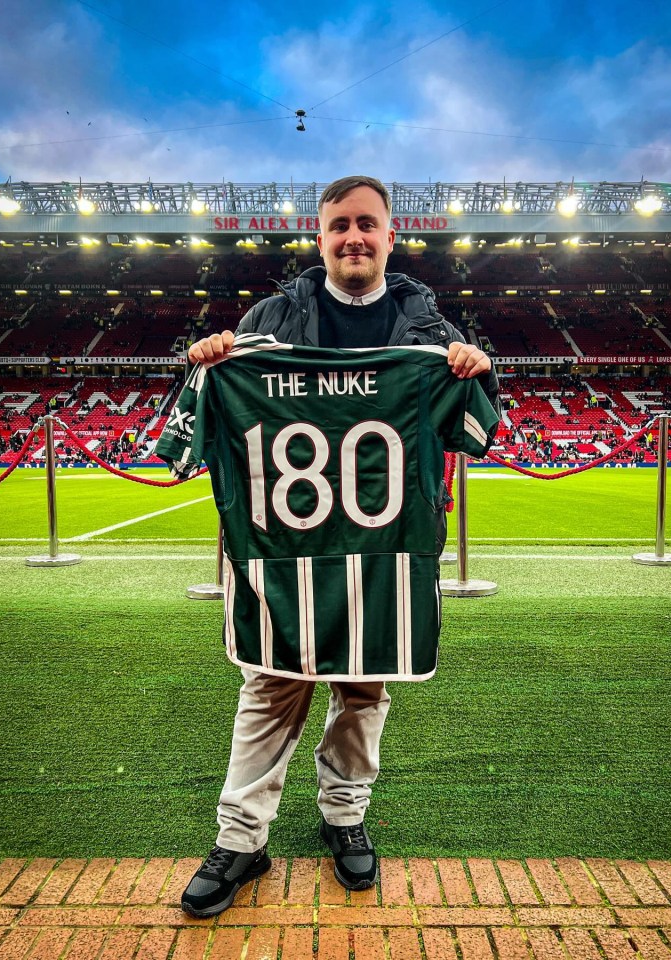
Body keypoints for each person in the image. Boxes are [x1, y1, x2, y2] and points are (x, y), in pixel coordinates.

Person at [160, 175, 501, 919]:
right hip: (283, 548)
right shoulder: (270, 317)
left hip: (382, 550)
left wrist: (476, 369)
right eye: (339, 224)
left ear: (389, 236)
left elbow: (478, 429)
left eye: (367, 225)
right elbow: (176, 445)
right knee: (270, 686)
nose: (354, 237)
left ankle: (344, 815)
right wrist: (210, 364)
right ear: (320, 238)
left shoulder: (424, 327)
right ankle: (241, 839)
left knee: (365, 687)